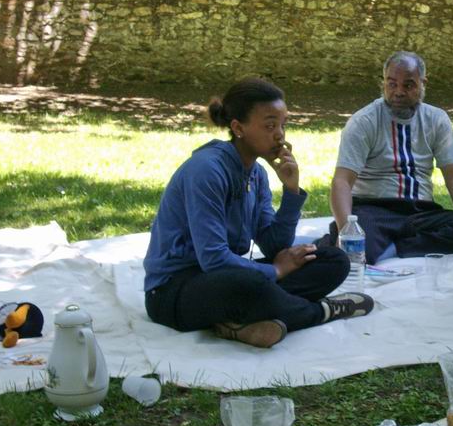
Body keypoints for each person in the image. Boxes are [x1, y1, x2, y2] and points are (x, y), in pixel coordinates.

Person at [143, 78, 374, 348]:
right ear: (238, 128)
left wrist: (291, 190)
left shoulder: (257, 173)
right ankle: (321, 311)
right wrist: (275, 270)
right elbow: (214, 260)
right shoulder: (206, 170)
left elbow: (274, 244)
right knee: (249, 284)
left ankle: (239, 323)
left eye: (283, 125)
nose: (280, 135)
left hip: (228, 279)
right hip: (173, 291)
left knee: (333, 260)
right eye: (269, 126)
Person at [328, 50, 453, 264]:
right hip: (374, 210)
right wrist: (346, 230)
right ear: (384, 82)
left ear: (423, 83)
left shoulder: (437, 119)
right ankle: (401, 246)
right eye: (392, 84)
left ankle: (394, 248)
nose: (399, 92)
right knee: (357, 249)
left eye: (408, 85)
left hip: (421, 212)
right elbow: (342, 181)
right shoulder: (363, 121)